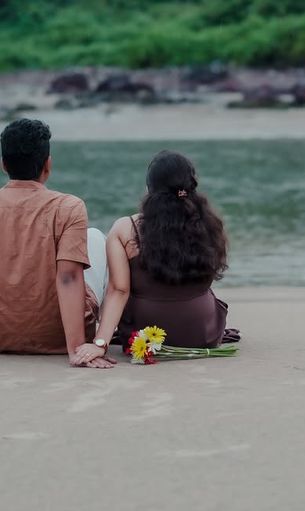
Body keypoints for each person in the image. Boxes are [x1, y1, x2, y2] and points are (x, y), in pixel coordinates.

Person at [74, 150, 239, 365]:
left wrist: (100, 343)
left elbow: (119, 289)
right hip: (201, 333)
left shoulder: (126, 229)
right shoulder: (210, 225)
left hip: (144, 335)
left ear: (148, 189)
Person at [0, 118, 113, 368]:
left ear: (4, 164)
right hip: (56, 337)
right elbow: (69, 277)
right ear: (47, 164)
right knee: (96, 237)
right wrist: (75, 350)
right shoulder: (68, 207)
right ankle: (103, 333)